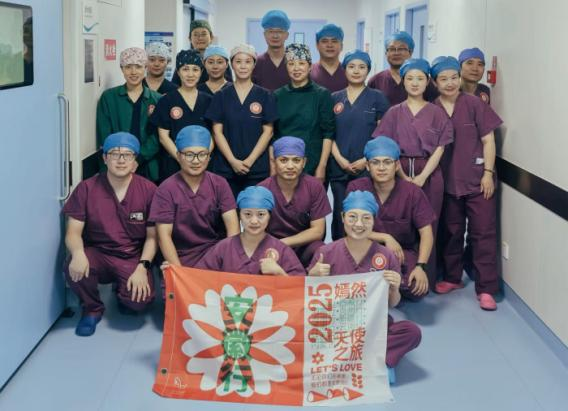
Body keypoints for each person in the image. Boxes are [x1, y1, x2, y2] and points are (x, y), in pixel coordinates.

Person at [307, 190, 421, 383]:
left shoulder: (386, 255)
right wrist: (312, 277)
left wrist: (394, 288)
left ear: (374, 220)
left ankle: (380, 362)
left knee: (412, 332)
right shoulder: (325, 252)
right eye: (352, 217)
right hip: (336, 327)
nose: (358, 224)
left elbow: (392, 304)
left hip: (372, 325)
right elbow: (310, 301)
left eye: (366, 218)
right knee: (308, 336)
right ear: (342, 217)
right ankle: (363, 358)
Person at [63, 133, 157, 337]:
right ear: (105, 158)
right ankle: (92, 308)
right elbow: (73, 232)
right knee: (72, 265)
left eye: (127, 155)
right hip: (98, 253)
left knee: (139, 301)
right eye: (114, 154)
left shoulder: (148, 190)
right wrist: (78, 253)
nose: (121, 160)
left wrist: (143, 267)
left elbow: (152, 237)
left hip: (131, 256)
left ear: (135, 161)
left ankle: (123, 293)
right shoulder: (87, 188)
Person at [430, 56, 503, 310]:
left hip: (478, 181)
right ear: (435, 82)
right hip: (448, 182)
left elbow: (489, 141)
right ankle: (452, 278)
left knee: (483, 234)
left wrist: (488, 173)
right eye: (443, 79)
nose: (450, 83)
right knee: (451, 232)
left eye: (454, 77)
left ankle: (486, 289)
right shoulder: (432, 109)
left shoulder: (474, 104)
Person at [373, 58, 453, 283]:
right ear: (404, 82)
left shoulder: (437, 112)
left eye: (420, 78)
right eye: (410, 78)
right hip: (397, 170)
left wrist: (422, 176)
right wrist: (403, 176)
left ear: (428, 81)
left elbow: (440, 148)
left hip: (429, 172)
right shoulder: (394, 112)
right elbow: (386, 147)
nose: (415, 83)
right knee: (402, 221)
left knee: (429, 223)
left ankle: (426, 274)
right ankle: (396, 273)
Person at [347, 137, 435, 300]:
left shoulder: (412, 193)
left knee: (416, 288)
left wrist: (420, 266)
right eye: (375, 162)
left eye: (387, 162)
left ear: (396, 165)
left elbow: (426, 232)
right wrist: (385, 237)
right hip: (365, 250)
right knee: (352, 287)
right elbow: (350, 228)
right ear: (367, 166)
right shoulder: (357, 188)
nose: (381, 168)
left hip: (402, 253)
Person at [149, 125, 240, 267]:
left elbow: (233, 227)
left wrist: (228, 262)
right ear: (178, 156)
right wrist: (180, 273)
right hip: (180, 257)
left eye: (202, 154)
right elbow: (163, 236)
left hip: (214, 254)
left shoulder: (219, 184)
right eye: (189, 155)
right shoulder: (166, 189)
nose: (196, 161)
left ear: (209, 157)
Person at [329, 50, 390, 240]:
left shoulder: (377, 98)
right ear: (344, 69)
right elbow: (328, 134)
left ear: (368, 70)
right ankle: (338, 252)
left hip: (367, 167)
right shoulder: (334, 98)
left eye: (362, 67)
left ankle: (365, 253)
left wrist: (367, 160)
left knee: (365, 212)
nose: (356, 71)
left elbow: (383, 133)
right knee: (340, 211)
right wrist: (340, 159)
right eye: (352, 66)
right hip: (339, 167)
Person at [205, 44, 277, 198]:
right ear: (231, 64)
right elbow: (217, 132)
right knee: (227, 210)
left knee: (254, 208)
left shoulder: (265, 95)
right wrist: (232, 161)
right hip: (226, 168)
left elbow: (268, 132)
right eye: (238, 61)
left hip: (256, 168)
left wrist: (249, 161)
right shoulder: (221, 96)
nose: (243, 66)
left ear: (254, 64)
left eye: (247, 61)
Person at [197, 186, 306, 276]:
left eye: (261, 214)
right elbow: (199, 278)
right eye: (248, 214)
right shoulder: (224, 248)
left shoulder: (281, 249)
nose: (254, 221)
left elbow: (299, 288)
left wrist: (279, 273)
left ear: (269, 216)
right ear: (240, 216)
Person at [258, 136, 331, 267]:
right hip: (271, 247)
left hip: (303, 245)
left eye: (296, 160)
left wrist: (284, 243)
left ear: (304, 162)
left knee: (320, 250)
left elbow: (318, 231)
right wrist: (274, 246)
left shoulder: (314, 186)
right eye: (284, 160)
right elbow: (255, 228)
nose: (290, 166)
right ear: (274, 162)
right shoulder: (262, 190)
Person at [96, 47, 162, 182]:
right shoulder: (109, 98)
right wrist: (123, 158)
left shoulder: (157, 99)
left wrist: (138, 159)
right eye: (128, 67)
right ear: (121, 69)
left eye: (138, 67)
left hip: (147, 165)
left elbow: (157, 136)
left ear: (145, 68)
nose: (133, 72)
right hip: (116, 164)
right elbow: (105, 134)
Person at [273, 43, 335, 182]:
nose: (296, 68)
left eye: (301, 63)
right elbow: (273, 134)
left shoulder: (322, 95)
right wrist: (274, 164)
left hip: (313, 162)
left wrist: (322, 166)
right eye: (291, 64)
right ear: (286, 67)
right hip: (284, 164)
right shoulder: (277, 96)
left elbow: (328, 133)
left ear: (310, 66)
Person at [150, 49, 212, 181]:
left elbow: (214, 135)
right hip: (173, 164)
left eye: (195, 69)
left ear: (201, 72)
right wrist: (182, 159)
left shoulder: (209, 101)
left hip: (203, 165)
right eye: (185, 69)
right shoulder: (166, 100)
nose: (190, 74)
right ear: (178, 72)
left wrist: (202, 158)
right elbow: (163, 137)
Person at [367, 31, 438, 105]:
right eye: (392, 49)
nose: (396, 53)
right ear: (386, 53)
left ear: (410, 52)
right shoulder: (375, 81)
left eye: (401, 49)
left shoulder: (424, 81)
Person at [171, 20, 232, 86]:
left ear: (211, 37)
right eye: (195, 35)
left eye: (203, 34)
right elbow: (175, 85)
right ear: (189, 38)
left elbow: (229, 85)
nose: (200, 38)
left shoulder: (220, 58)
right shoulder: (184, 58)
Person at [252, 9, 291, 91]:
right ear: (264, 35)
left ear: (286, 35)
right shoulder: (256, 63)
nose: (275, 36)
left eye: (280, 31)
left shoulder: (294, 62)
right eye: (271, 31)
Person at [310, 23, 348, 92]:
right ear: (317, 46)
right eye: (324, 41)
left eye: (334, 41)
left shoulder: (349, 73)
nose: (329, 45)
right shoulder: (308, 73)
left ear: (341, 46)